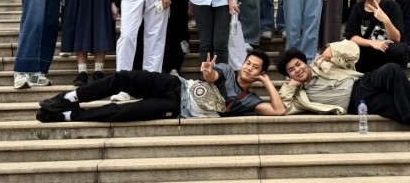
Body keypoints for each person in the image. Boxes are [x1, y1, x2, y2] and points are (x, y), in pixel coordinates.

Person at [276, 41, 410, 134]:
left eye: (298, 64)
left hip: (364, 82)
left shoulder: (322, 64)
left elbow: (353, 50)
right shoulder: (299, 96)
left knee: (392, 69)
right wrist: (289, 86)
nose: (297, 70)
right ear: (289, 76)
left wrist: (333, 48)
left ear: (304, 62)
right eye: (291, 70)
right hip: (359, 104)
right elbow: (281, 108)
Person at [36, 50, 285, 123]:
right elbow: (212, 77)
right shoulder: (228, 71)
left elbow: (279, 111)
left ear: (260, 73)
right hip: (176, 85)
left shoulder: (249, 100)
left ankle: (67, 116)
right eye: (248, 63)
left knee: (124, 112)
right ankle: (69, 98)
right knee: (124, 78)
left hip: (175, 107)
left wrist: (267, 83)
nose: (249, 68)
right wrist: (208, 72)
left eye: (255, 68)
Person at [345, 0, 409, 72]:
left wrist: (386, 20)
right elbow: (351, 36)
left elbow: (397, 38)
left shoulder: (392, 6)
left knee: (399, 49)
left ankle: (396, 75)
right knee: (353, 51)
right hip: (368, 54)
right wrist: (372, 43)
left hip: (388, 51)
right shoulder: (357, 8)